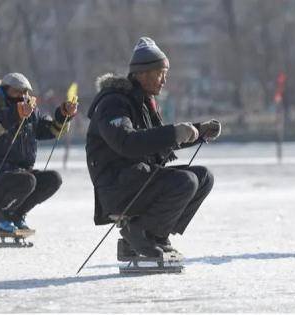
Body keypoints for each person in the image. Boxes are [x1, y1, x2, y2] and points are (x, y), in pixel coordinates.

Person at [85, 37, 221, 257]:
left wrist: (198, 131)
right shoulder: (113, 103)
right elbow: (127, 142)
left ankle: (153, 235)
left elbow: (158, 143)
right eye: (161, 73)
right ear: (142, 73)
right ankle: (139, 231)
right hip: (117, 188)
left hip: (139, 179)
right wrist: (174, 132)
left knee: (204, 177)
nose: (164, 80)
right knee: (185, 181)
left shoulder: (145, 103)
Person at [0, 73, 78, 233]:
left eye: (25, 92)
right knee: (27, 181)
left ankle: (16, 214)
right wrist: (15, 114)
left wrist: (63, 115)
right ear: (4, 90)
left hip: (20, 176)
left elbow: (51, 129)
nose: (22, 96)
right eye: (16, 92)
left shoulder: (30, 110)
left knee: (53, 179)